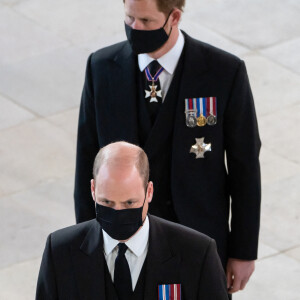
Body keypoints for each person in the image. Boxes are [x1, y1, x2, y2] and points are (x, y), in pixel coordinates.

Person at [74, 0, 261, 295]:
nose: (135, 28)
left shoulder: (224, 72)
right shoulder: (101, 68)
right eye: (129, 18)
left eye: (146, 22)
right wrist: (85, 246)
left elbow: (245, 167)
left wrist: (243, 251)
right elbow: (87, 161)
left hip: (200, 241)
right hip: (122, 242)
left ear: (174, 16)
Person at [36, 142, 228, 300]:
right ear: (93, 190)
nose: (118, 212)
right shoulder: (60, 252)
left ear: (149, 192)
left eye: (129, 203)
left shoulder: (197, 253)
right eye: (106, 202)